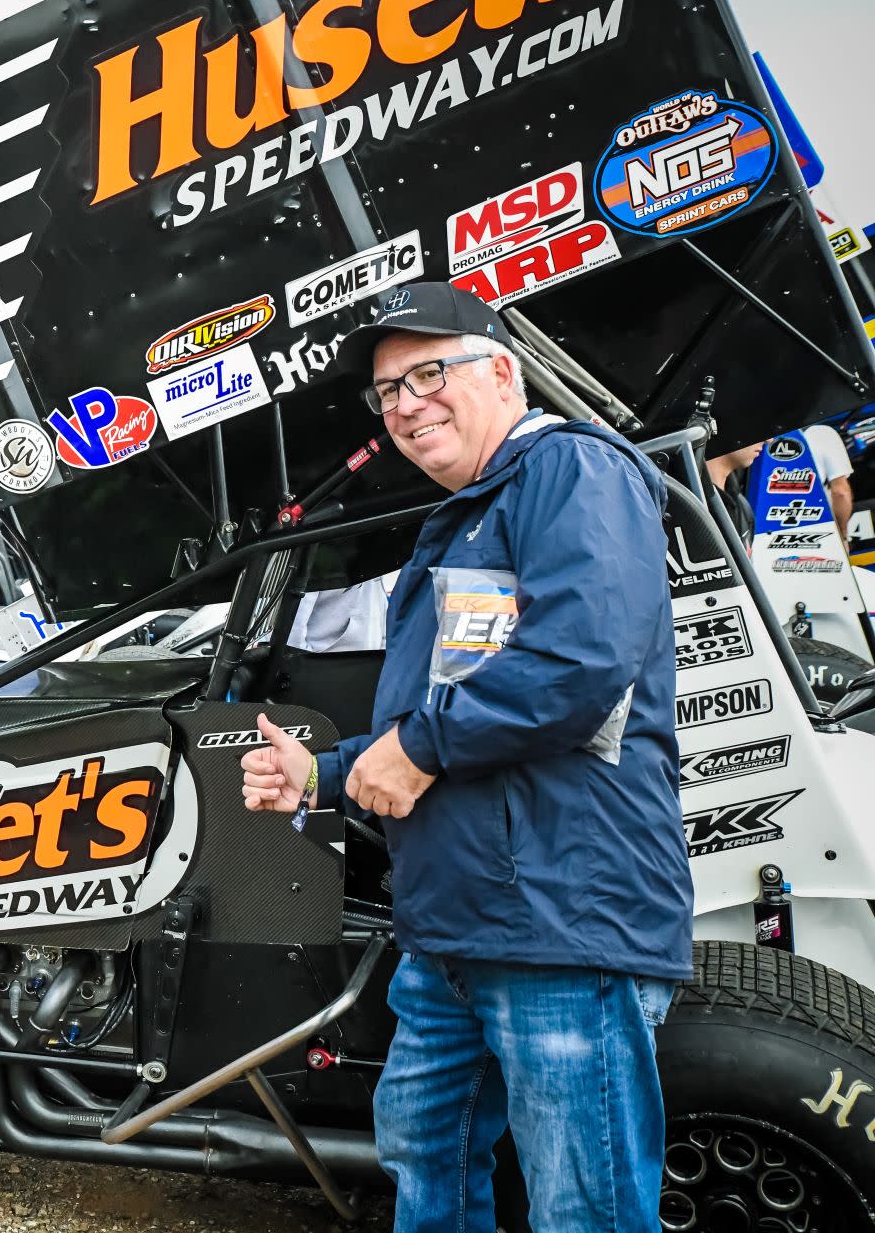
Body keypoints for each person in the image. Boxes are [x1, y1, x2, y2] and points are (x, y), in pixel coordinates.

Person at [238, 282, 690, 1231]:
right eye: (387, 390)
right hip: (452, 931)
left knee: (587, 1205)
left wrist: (420, 746)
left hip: (562, 922)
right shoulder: (456, 524)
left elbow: (582, 661)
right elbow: (430, 722)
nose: (405, 403)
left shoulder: (573, 471)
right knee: (424, 1158)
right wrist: (317, 774)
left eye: (428, 372)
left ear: (503, 373)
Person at [707, 421, 854, 544]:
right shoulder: (823, 433)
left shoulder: (740, 504)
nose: (769, 440)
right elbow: (841, 492)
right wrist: (843, 534)